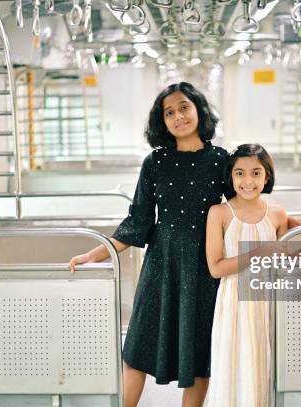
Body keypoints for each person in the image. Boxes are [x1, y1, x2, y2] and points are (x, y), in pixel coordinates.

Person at [69, 82, 227, 407]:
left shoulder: (221, 161)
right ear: (162, 121)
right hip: (160, 266)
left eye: (184, 107)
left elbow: (245, 207)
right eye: (169, 112)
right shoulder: (154, 163)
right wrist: (96, 252)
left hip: (205, 268)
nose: (178, 116)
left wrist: (296, 226)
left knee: (199, 354)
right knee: (137, 348)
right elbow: (138, 222)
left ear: (199, 109)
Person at [204, 144, 301, 407]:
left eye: (256, 173)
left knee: (263, 365)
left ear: (267, 177)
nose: (248, 181)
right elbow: (216, 267)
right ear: (230, 177)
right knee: (234, 364)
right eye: (240, 173)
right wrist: (262, 251)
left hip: (268, 301)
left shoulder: (277, 214)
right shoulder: (219, 213)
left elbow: (285, 262)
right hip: (233, 304)